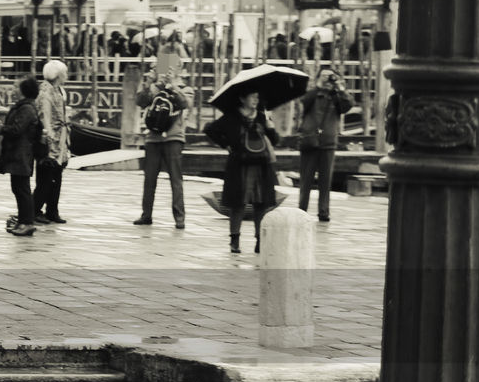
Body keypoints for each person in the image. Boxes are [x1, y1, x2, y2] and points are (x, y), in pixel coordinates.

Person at [204, 90, 280, 254]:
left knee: (261, 205)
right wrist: (226, 144)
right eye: (252, 96)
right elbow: (210, 130)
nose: (255, 100)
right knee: (238, 204)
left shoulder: (262, 116)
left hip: (261, 165)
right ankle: (235, 240)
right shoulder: (231, 116)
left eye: (257, 97)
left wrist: (271, 127)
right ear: (242, 98)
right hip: (239, 165)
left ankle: (260, 240)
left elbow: (274, 141)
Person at [133, 71, 191, 228]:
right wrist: (150, 82)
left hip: (174, 139)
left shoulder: (184, 88)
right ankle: (146, 215)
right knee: (149, 179)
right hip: (153, 138)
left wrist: (172, 86)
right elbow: (140, 101)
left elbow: (185, 103)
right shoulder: (153, 87)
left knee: (176, 180)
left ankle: (180, 218)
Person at [297, 68, 354, 222]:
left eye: (330, 76)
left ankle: (324, 212)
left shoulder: (336, 96)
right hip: (310, 140)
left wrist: (339, 89)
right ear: (317, 78)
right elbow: (302, 105)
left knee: (325, 179)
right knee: (306, 179)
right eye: (323, 76)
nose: (327, 79)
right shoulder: (312, 93)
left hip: (328, 141)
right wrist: (318, 87)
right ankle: (301, 210)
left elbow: (347, 106)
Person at [0, 75, 43, 236]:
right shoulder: (22, 107)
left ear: (23, 90)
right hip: (16, 153)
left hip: (21, 153)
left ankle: (27, 222)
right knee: (18, 188)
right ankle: (22, 221)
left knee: (22, 189)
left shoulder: (26, 109)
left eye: (15, 86)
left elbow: (16, 130)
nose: (13, 89)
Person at [34, 59, 70, 224]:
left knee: (56, 176)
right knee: (46, 178)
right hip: (51, 140)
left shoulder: (58, 91)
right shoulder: (46, 93)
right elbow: (45, 116)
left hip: (60, 139)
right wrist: (50, 136)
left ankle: (52, 210)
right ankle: (34, 209)